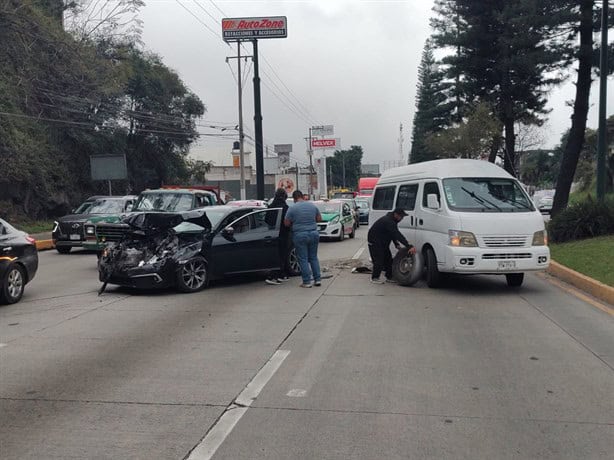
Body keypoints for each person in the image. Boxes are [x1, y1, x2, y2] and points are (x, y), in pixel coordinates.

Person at [284, 190, 322, 288]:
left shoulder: (292, 208)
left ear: (294, 198)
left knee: (303, 259)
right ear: (302, 196)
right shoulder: (312, 206)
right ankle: (317, 279)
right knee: (313, 257)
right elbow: (319, 219)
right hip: (314, 233)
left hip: (300, 235)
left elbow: (286, 223)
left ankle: (307, 281)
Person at [367, 207, 415, 284]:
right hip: (374, 241)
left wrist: (396, 243)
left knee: (388, 259)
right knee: (379, 259)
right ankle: (375, 277)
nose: (402, 218)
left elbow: (392, 233)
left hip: (383, 242)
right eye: (401, 216)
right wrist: (409, 246)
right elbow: (397, 234)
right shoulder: (388, 221)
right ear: (396, 214)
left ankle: (389, 277)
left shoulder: (392, 220)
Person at [265, 188, 292, 285]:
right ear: (284, 196)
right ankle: (273, 276)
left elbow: (266, 220)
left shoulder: (271, 206)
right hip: (283, 234)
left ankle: (281, 274)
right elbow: (288, 221)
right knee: (281, 255)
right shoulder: (284, 207)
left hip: (271, 234)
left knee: (276, 255)